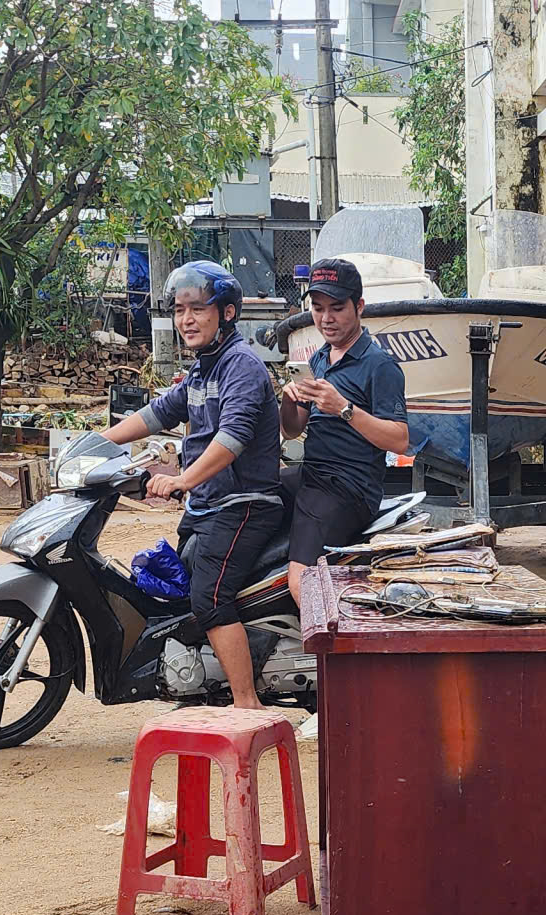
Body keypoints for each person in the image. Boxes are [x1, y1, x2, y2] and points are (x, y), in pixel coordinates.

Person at [96, 262, 283, 711]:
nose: (187, 320)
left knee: (209, 598)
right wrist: (92, 445)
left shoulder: (241, 366)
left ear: (227, 313)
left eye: (198, 309)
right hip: (208, 505)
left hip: (243, 504)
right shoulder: (204, 370)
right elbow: (156, 414)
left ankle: (246, 703)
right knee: (175, 591)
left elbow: (232, 439)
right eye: (180, 310)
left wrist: (182, 479)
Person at [278, 257, 408, 605]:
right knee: (250, 491)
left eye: (337, 308)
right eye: (318, 308)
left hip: (347, 488)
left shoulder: (380, 366)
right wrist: (288, 401)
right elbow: (292, 430)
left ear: (359, 306)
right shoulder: (319, 359)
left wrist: (344, 409)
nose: (326, 318)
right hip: (311, 474)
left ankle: (326, 638)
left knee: (301, 582)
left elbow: (400, 440)